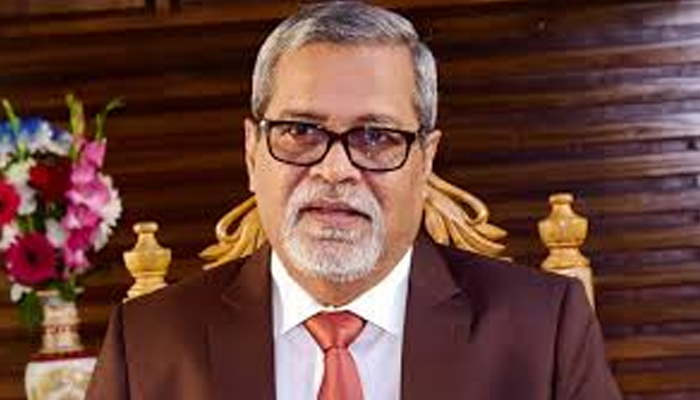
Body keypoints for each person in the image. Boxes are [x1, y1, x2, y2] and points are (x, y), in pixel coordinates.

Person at [86, 1, 622, 399]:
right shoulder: (149, 345)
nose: (335, 169)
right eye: (300, 131)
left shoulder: (543, 330)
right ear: (252, 153)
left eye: (375, 136)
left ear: (426, 161)